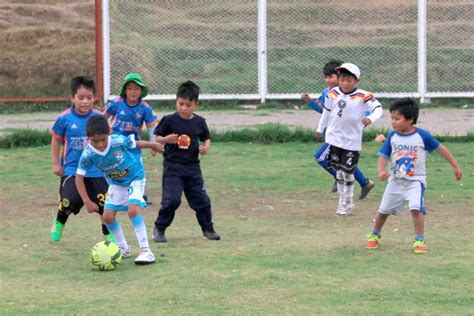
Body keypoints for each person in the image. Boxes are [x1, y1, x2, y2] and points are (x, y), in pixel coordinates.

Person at [366, 98, 462, 254]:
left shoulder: (422, 136)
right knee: (383, 210)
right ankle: (374, 235)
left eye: (397, 118)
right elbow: (383, 155)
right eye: (392, 118)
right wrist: (381, 171)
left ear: (410, 119)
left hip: (415, 181)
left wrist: (455, 165)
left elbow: (441, 148)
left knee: (416, 209)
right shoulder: (392, 136)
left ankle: (419, 240)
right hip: (395, 181)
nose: (393, 122)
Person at [76, 115, 162, 264]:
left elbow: (136, 143)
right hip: (116, 183)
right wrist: (87, 201)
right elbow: (79, 178)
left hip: (135, 177)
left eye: (103, 139)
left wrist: (152, 145)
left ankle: (146, 251)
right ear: (88, 138)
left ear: (109, 133)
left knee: (132, 210)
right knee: (107, 217)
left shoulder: (118, 140)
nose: (100, 144)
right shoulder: (88, 154)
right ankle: (123, 248)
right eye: (95, 141)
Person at [152, 80, 220, 243]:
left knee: (202, 200)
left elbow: (206, 137)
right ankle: (159, 228)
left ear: (195, 104)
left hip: (192, 169)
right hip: (172, 168)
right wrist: (166, 139)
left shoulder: (199, 122)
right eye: (181, 103)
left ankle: (208, 229)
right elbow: (157, 137)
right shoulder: (169, 120)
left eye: (188, 105)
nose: (183, 108)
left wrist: (206, 147)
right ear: (176, 101)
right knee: (172, 201)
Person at [49, 76, 113, 242]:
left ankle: (108, 234)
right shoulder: (64, 118)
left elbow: (109, 140)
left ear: (94, 98)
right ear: (72, 98)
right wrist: (56, 163)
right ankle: (59, 222)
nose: (85, 102)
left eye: (89, 98)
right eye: (81, 98)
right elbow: (56, 139)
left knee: (105, 204)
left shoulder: (99, 118)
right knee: (68, 201)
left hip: (97, 170)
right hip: (72, 169)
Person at [302, 59, 375, 199]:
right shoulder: (328, 92)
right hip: (333, 134)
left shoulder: (354, 95)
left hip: (344, 135)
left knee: (320, 157)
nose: (328, 80)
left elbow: (363, 110)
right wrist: (310, 102)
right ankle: (364, 183)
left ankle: (341, 179)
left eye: (331, 77)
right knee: (344, 161)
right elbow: (324, 110)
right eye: (326, 77)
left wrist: (363, 121)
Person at [316, 63, 383, 216]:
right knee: (339, 173)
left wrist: (370, 119)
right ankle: (342, 201)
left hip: (351, 141)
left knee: (347, 172)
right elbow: (326, 112)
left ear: (356, 80)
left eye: (349, 80)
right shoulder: (332, 93)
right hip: (334, 138)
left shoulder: (363, 96)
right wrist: (320, 129)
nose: (345, 83)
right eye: (342, 80)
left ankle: (348, 202)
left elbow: (378, 108)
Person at [103, 73, 159, 204]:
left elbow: (152, 127)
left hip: (134, 143)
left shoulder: (145, 108)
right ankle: (112, 194)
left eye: (136, 89)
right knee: (114, 167)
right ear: (125, 90)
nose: (133, 92)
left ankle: (141, 196)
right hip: (115, 142)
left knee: (137, 166)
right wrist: (100, 136)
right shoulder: (116, 103)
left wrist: (153, 144)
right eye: (130, 88)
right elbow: (102, 118)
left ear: (141, 91)